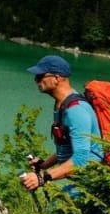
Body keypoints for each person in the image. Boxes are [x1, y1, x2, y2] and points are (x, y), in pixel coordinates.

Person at [19, 54, 103, 195]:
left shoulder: (76, 110)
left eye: (40, 76)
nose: (35, 80)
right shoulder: (61, 105)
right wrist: (44, 164)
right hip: (82, 180)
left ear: (57, 78)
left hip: (92, 183)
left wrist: (42, 178)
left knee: (56, 212)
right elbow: (66, 147)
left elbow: (81, 159)